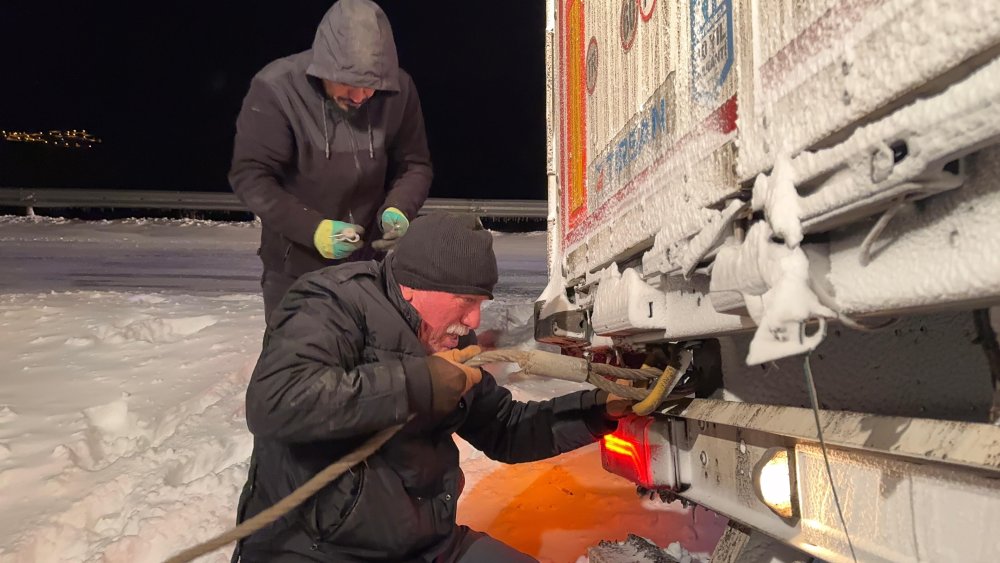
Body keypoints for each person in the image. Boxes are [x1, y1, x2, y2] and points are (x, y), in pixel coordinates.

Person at [233, 214, 633, 562]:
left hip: (424, 547)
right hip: (316, 550)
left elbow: (507, 428)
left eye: (481, 302)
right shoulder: (331, 302)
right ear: (413, 286)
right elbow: (277, 400)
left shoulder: (450, 342)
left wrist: (598, 411)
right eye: (464, 300)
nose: (473, 319)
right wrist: (422, 384)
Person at [229, 0, 432, 323]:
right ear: (325, 68)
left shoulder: (399, 91)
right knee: (300, 365)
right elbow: (251, 177)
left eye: (373, 86)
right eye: (350, 84)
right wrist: (313, 230)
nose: (362, 96)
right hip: (294, 268)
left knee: (368, 364)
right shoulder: (277, 88)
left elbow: (415, 165)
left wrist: (399, 209)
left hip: (370, 266)